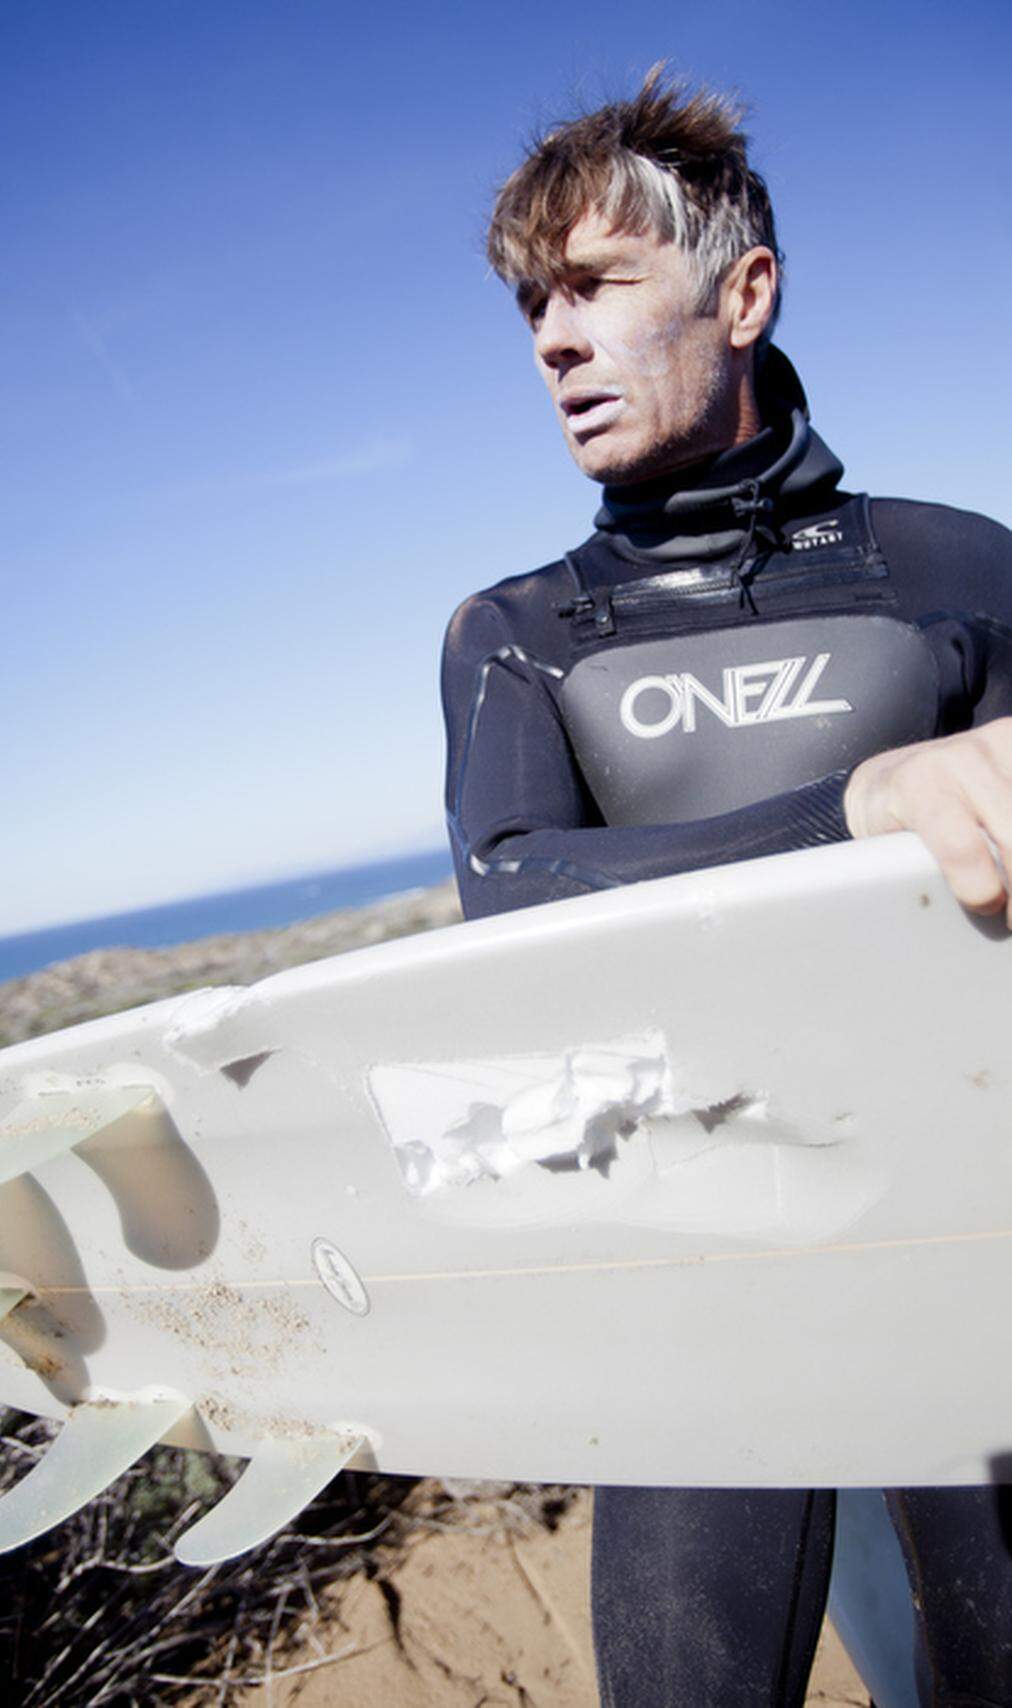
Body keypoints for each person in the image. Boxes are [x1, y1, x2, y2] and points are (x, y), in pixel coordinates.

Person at [441, 66, 1012, 1707]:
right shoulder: (522, 634)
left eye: (599, 284)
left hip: (967, 1236)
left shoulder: (958, 569)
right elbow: (514, 894)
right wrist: (853, 814)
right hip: (697, 1271)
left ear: (742, 292)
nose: (552, 337)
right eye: (534, 303)